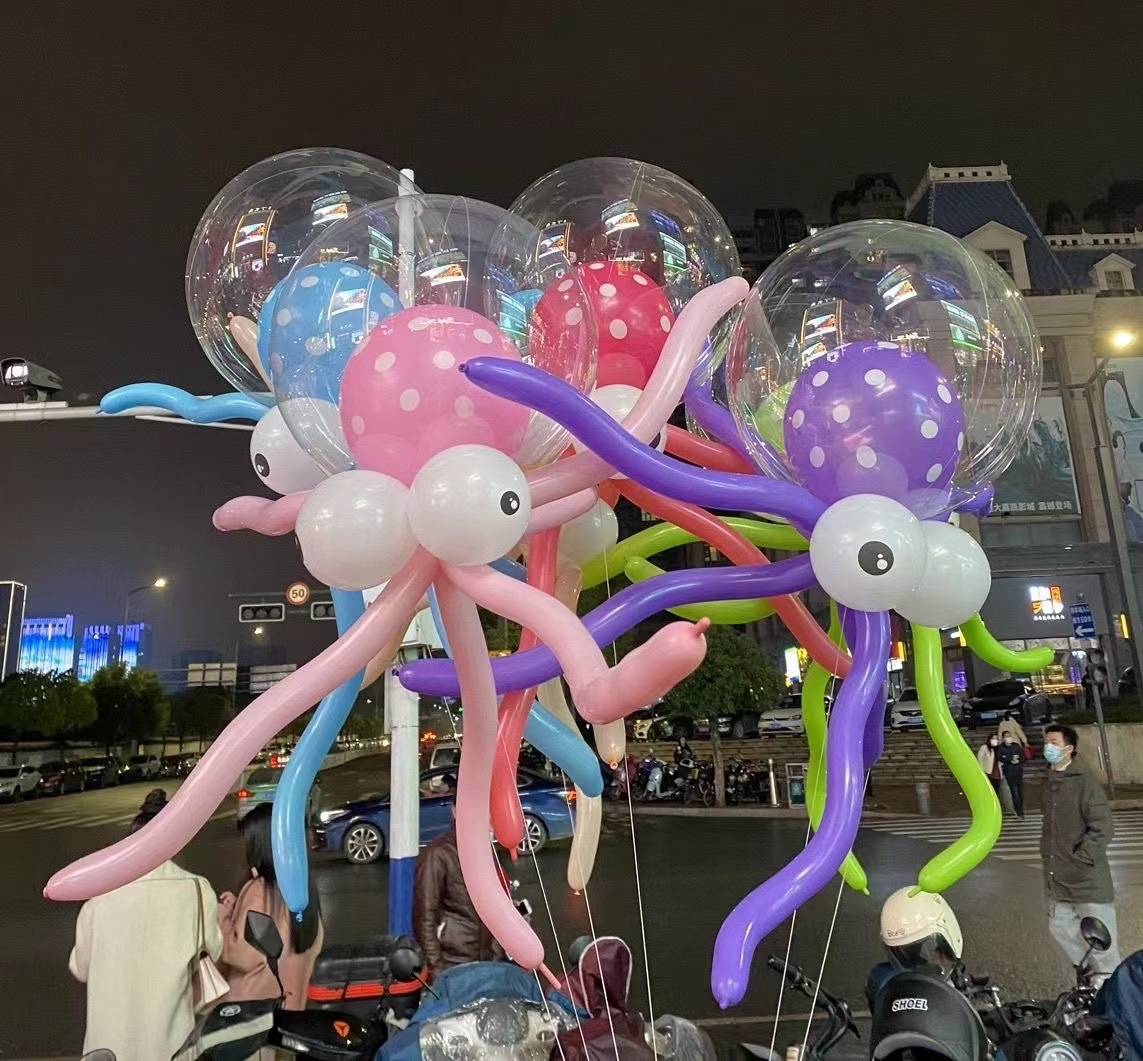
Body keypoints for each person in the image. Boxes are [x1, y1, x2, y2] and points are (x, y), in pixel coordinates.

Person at [69, 790, 223, 1061]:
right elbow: (214, 952)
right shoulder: (197, 891)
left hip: (108, 1048)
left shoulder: (100, 895)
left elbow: (80, 968)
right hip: (171, 1045)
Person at [217, 802, 324, 1009]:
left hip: (255, 1012)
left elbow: (242, 955)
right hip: (292, 1006)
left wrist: (224, 917)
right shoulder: (304, 889)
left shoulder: (261, 890)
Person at [1041, 724, 1121, 983]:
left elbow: (1103, 827)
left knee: (1101, 937)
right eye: (1047, 741)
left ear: (1068, 748)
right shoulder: (1050, 781)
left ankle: (1110, 986)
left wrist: (1082, 857)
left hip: (1087, 877)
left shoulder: (1084, 781)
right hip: (1059, 875)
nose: (1048, 747)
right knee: (1059, 926)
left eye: (1053, 742)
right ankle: (1088, 972)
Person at [414, 780, 504, 979]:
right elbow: (424, 916)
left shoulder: (487, 851)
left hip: (488, 962)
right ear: (455, 811)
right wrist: (437, 969)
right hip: (453, 964)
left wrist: (498, 954)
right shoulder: (437, 854)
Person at [865, 888, 963, 1010]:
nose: (938, 959)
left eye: (937, 950)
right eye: (899, 952)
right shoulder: (881, 980)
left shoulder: (880, 979)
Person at [997, 731, 1026, 819]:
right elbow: (1000, 757)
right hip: (1009, 772)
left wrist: (1018, 761)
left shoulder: (1016, 746)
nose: (1008, 738)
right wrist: (1010, 759)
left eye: (1009, 736)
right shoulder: (1001, 747)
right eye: (1006, 736)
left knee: (1020, 792)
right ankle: (1019, 812)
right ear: (1003, 738)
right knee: (1014, 791)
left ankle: (1020, 810)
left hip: (1018, 771)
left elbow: (1023, 756)